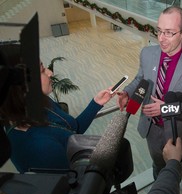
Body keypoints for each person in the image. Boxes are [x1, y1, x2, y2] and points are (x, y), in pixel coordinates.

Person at [117, 6, 182, 179]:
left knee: (174, 170)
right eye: (159, 31)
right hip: (151, 128)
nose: (161, 38)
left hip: (176, 132)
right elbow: (139, 79)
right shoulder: (147, 53)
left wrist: (165, 109)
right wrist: (127, 93)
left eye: (169, 33)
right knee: (157, 166)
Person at [0, 43, 115, 173]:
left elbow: (73, 130)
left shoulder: (40, 101)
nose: (50, 73)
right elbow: (77, 186)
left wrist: (96, 103)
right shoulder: (39, 147)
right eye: (42, 70)